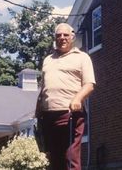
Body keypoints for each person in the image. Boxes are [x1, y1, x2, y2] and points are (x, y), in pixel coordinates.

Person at [36, 23, 96, 170]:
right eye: (58, 35)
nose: (62, 38)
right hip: (48, 116)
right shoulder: (48, 60)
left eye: (65, 35)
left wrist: (77, 98)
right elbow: (44, 87)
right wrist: (37, 109)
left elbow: (89, 84)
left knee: (70, 157)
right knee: (54, 159)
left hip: (69, 114)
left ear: (72, 37)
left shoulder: (82, 57)